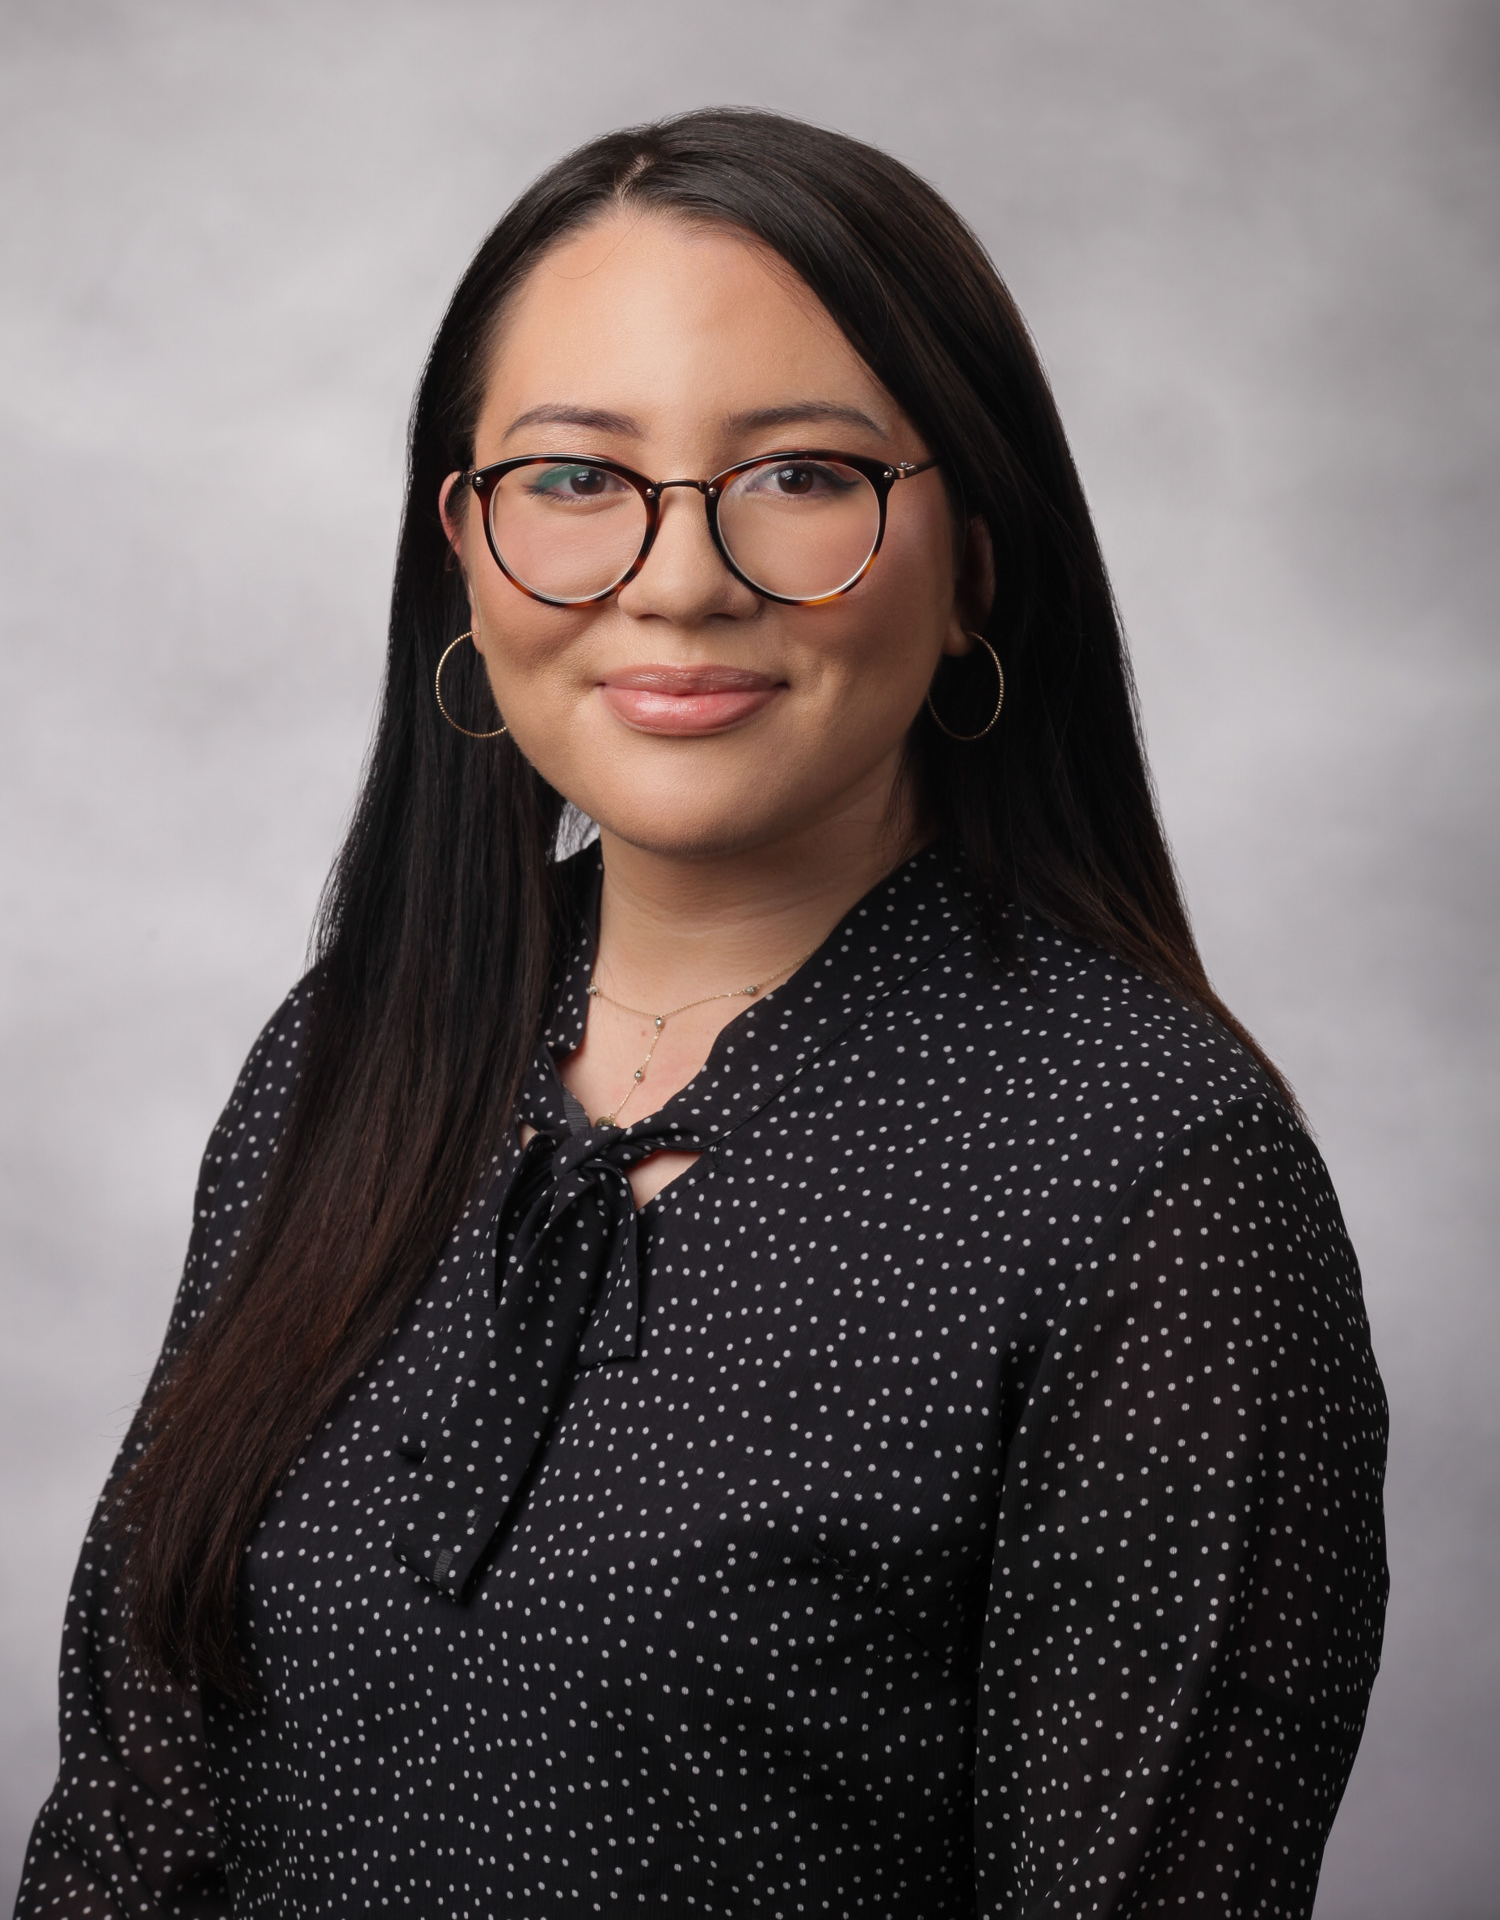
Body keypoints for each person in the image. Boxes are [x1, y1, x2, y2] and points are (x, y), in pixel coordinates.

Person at [16, 109, 1387, 1920]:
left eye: (802, 475)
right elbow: (130, 1818)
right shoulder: (352, 1057)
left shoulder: (1155, 1176)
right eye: (577, 479)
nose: (680, 580)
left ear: (976, 556)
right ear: (464, 551)